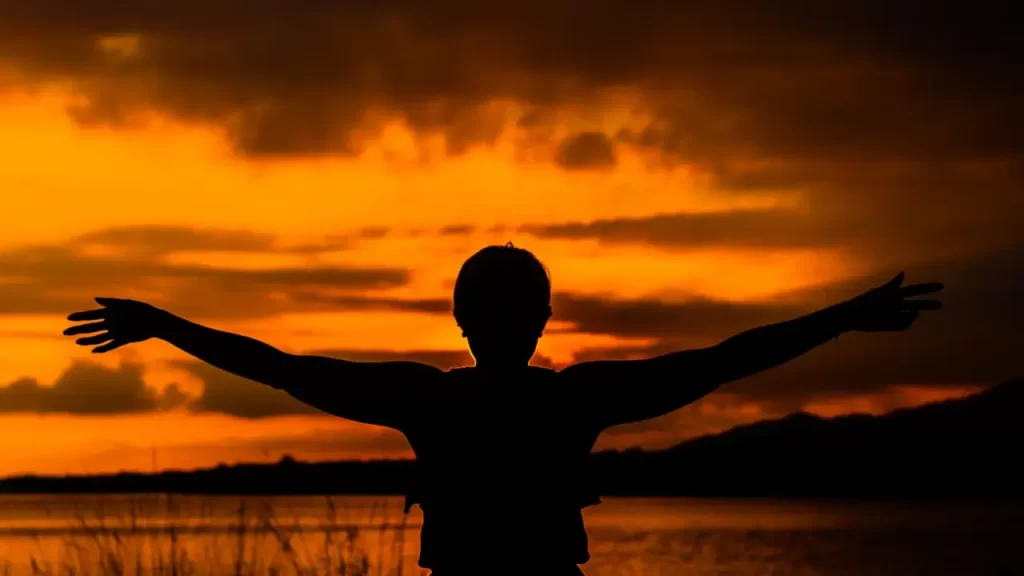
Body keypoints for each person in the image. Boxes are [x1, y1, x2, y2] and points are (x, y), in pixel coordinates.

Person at [63, 243, 943, 575]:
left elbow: (280, 368)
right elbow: (726, 359)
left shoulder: (428, 399)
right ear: (544, 321)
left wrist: (166, 325)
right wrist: (843, 317)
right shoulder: (577, 399)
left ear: (458, 318)